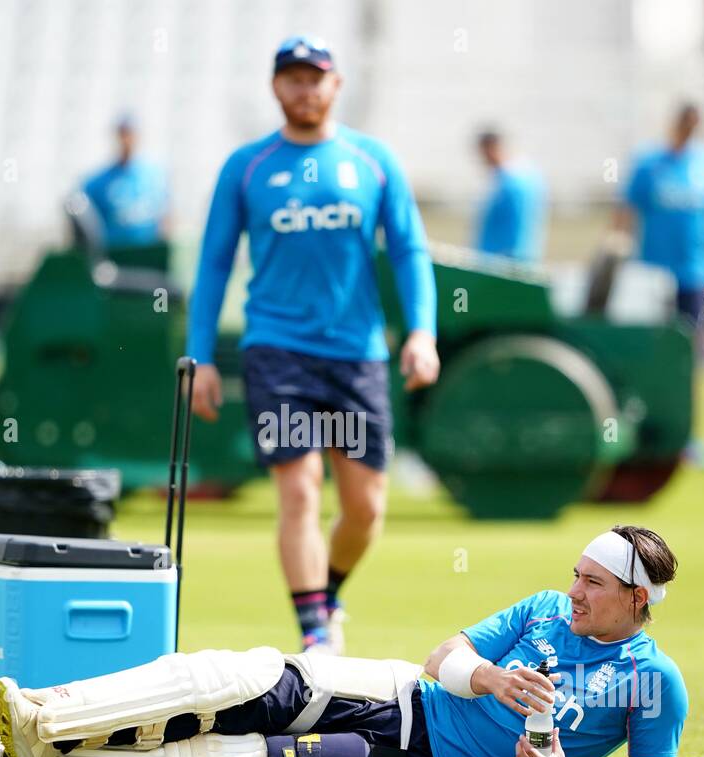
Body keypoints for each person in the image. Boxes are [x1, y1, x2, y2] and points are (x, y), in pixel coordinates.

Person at [0, 525, 688, 757]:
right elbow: (445, 656)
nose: (573, 590)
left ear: (635, 597)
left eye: (592, 583)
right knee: (238, 677)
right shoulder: (542, 610)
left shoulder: (653, 681)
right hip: (406, 693)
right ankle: (44, 716)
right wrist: (491, 677)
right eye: (575, 573)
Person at [184, 35, 440, 657]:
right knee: (298, 492)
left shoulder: (372, 161)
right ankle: (315, 632)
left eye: (315, 77)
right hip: (278, 353)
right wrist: (201, 355)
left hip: (356, 356)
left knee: (365, 509)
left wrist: (422, 331)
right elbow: (214, 263)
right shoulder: (246, 166)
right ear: (276, 87)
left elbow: (409, 249)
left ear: (336, 84)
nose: (305, 89)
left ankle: (329, 593)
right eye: (293, 78)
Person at [614, 103, 704, 357]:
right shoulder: (648, 164)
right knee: (653, 345)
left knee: (693, 345)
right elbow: (625, 213)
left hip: (695, 271)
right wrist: (618, 255)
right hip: (654, 271)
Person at [74, 116, 170, 251]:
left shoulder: (154, 177)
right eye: (123, 134)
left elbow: (165, 216)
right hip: (114, 253)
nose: (126, 140)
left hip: (147, 252)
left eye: (130, 134)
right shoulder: (98, 182)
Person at [472, 128, 548, 263]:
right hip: (507, 260)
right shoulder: (519, 176)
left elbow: (517, 231)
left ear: (492, 148)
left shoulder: (514, 182)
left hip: (505, 264)